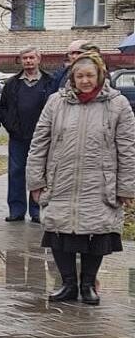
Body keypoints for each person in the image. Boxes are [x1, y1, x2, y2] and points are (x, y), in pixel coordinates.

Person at [28, 52, 135, 306]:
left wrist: (126, 187)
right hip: (61, 180)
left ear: (100, 75)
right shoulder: (56, 102)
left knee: (96, 233)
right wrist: (36, 181)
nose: (85, 81)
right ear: (72, 78)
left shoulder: (117, 104)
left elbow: (128, 148)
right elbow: (39, 142)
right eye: (80, 76)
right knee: (58, 231)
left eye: (90, 75)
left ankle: (88, 285)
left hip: (100, 182)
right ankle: (67, 284)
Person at [0, 47, 55, 223]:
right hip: (18, 136)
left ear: (39, 59)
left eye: (32, 57)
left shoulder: (50, 82)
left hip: (42, 137)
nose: (28, 61)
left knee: (38, 173)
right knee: (16, 172)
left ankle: (36, 210)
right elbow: (4, 108)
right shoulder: (12, 83)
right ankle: (16, 210)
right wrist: (11, 126)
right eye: (25, 58)